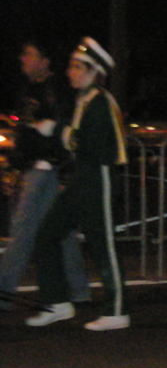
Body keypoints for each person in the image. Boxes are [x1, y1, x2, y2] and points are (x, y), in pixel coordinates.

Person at [26, 37, 130, 331]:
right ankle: (57, 303)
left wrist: (56, 130)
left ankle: (117, 311)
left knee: (103, 245)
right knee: (46, 235)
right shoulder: (84, 100)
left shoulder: (100, 102)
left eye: (76, 67)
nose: (69, 72)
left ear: (93, 71)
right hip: (81, 180)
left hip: (99, 180)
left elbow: (91, 145)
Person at [0, 40, 90, 311]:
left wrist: (61, 167)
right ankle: (79, 291)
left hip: (46, 169)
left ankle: (4, 291)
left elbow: (64, 131)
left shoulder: (56, 91)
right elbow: (25, 132)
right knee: (59, 233)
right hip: (39, 169)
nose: (23, 59)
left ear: (45, 60)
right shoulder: (30, 89)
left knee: (23, 230)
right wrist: (16, 165)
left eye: (30, 54)